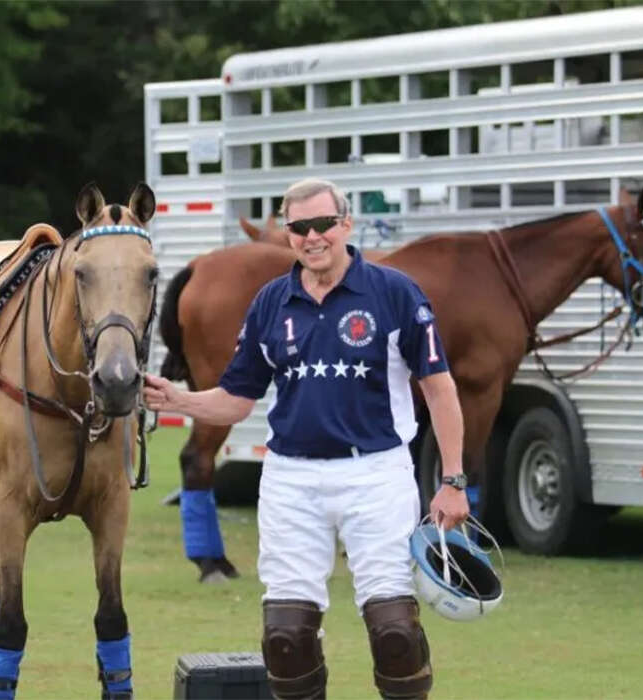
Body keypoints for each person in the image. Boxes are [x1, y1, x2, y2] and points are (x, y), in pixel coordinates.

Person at [144, 178, 468, 700]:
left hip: (376, 474)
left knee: (394, 631)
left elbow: (440, 389)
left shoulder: (394, 292)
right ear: (288, 233)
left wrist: (452, 481)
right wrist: (178, 400)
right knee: (286, 637)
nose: (312, 237)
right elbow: (237, 397)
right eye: (299, 228)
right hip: (291, 479)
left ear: (346, 224)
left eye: (323, 224)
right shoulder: (271, 302)